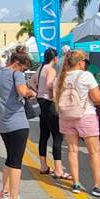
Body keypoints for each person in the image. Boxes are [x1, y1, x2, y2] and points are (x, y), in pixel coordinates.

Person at [55, 50, 100, 198]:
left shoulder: (60, 77)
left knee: (72, 151)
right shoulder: (86, 75)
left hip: (65, 116)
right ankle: (98, 186)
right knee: (94, 152)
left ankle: (75, 183)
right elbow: (96, 97)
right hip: (85, 115)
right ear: (81, 62)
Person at [0, 46, 37, 199]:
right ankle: (13, 198)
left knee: (10, 158)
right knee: (17, 162)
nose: (23, 71)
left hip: (3, 123)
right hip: (18, 123)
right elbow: (22, 91)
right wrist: (31, 93)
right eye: (23, 68)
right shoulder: (16, 74)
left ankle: (4, 192)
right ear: (17, 63)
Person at [36, 48, 70, 181]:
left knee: (44, 135)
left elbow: (32, 82)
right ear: (55, 58)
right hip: (49, 103)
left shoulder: (40, 68)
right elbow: (50, 85)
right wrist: (54, 95)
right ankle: (59, 169)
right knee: (57, 136)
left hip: (41, 102)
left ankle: (43, 166)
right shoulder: (51, 70)